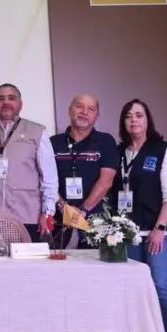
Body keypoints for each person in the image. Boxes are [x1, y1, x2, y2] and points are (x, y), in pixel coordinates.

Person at [116, 99, 167, 332]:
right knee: (134, 289)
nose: (134, 120)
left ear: (148, 120)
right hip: (131, 233)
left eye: (139, 115)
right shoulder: (119, 153)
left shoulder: (163, 150)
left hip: (161, 231)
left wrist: (159, 228)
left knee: (161, 285)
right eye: (129, 116)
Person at [0, 83, 58, 241]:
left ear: (21, 104)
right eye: (1, 98)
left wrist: (47, 213)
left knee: (27, 257)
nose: (6, 102)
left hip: (27, 215)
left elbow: (49, 177)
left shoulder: (37, 131)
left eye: (11, 98)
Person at [51, 93, 118, 247]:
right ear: (70, 110)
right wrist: (63, 207)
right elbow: (46, 180)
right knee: (59, 262)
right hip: (60, 223)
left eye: (91, 109)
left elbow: (106, 181)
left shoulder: (105, 141)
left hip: (95, 224)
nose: (84, 112)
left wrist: (82, 211)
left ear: (97, 115)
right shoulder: (53, 143)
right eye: (79, 106)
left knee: (94, 263)